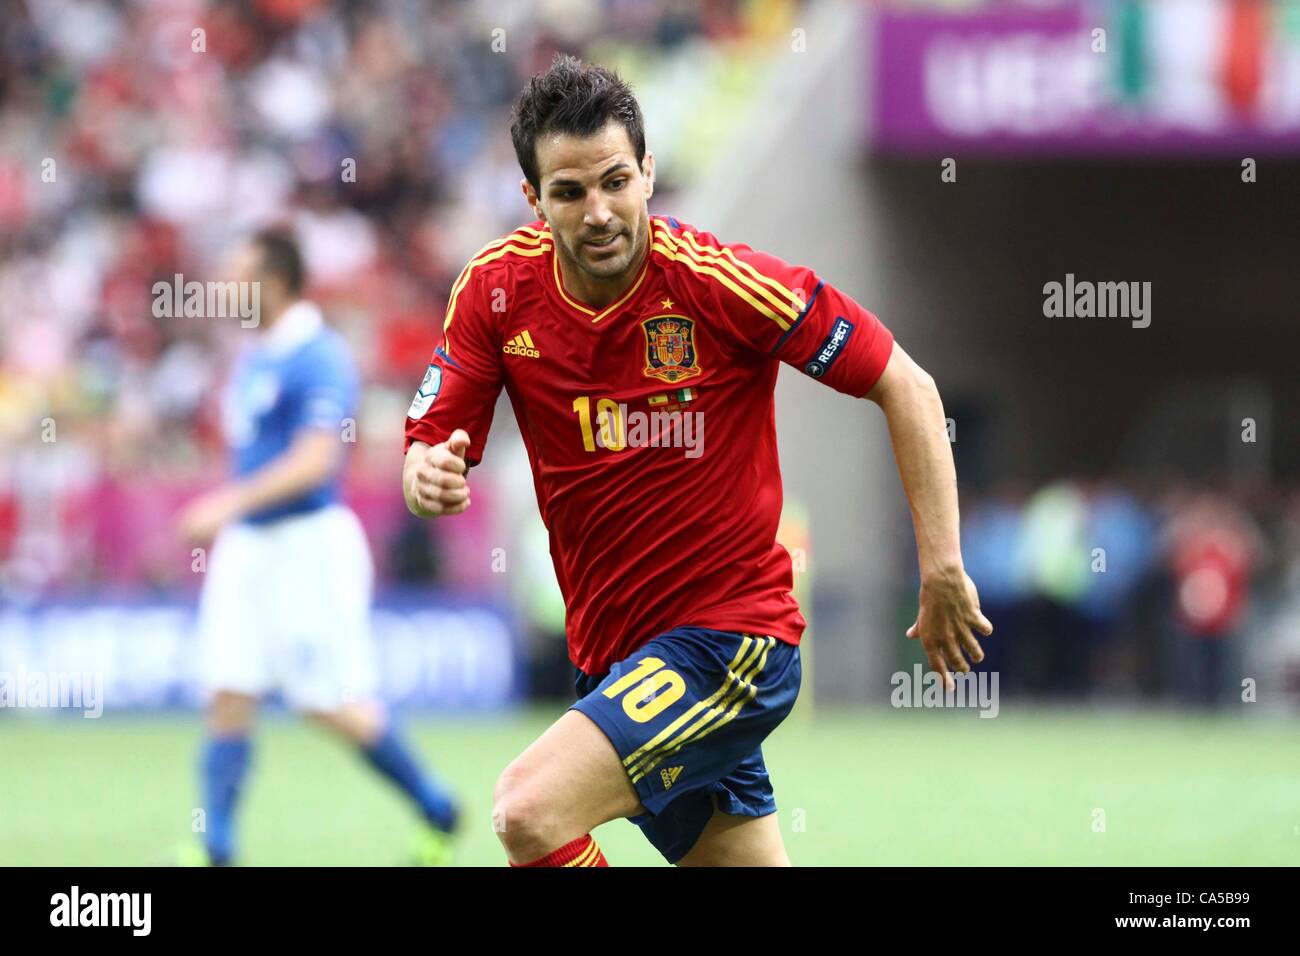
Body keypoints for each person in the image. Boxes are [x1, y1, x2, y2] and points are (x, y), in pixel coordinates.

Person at [402, 56, 991, 867]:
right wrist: (427, 475)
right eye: (570, 193)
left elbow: (907, 384)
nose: (599, 212)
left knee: (527, 814)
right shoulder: (496, 294)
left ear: (648, 173)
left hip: (729, 644)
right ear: (535, 201)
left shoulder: (721, 284)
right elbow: (431, 446)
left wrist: (942, 566)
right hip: (618, 664)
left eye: (616, 181)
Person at [177, 228, 459, 865]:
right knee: (227, 687)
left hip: (306, 547)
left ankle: (434, 803)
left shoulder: (319, 355)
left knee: (327, 703)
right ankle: (215, 847)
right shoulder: (256, 355)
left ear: (274, 281)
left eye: (237, 274)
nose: (225, 289)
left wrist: (226, 503)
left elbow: (315, 462)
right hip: (248, 549)